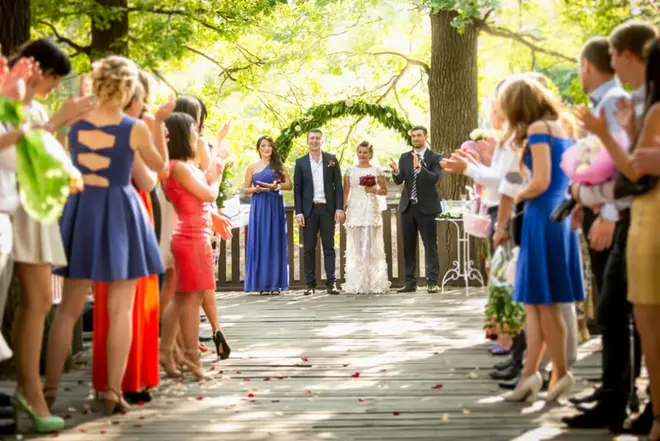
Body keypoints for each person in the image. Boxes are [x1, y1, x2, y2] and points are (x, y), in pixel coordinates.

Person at [45, 55, 170, 415]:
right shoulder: (135, 127)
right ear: (129, 87)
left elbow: (62, 157)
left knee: (67, 311)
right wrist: (158, 126)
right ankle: (112, 392)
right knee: (120, 311)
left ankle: (48, 390)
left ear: (97, 83)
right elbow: (159, 168)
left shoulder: (77, 123)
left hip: (83, 210)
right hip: (120, 212)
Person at [566, 21, 657, 435]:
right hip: (627, 215)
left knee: (624, 313)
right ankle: (618, 399)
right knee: (619, 311)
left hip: (630, 216)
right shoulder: (633, 100)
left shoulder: (624, 100)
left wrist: (604, 210)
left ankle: (624, 401)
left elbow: (633, 169)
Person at [4, 40, 94, 433]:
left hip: (35, 205)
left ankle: (30, 388)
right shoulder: (14, 99)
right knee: (36, 301)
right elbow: (21, 142)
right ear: (37, 69)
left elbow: (47, 152)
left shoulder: (35, 104)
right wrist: (59, 119)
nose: (56, 86)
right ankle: (30, 389)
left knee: (40, 301)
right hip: (16, 204)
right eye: (55, 77)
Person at [492, 76, 584, 402]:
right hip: (558, 215)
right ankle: (543, 374)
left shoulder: (538, 130)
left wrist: (518, 197)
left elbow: (541, 180)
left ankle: (540, 374)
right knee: (540, 303)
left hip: (541, 215)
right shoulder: (563, 126)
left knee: (541, 303)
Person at [92, 80, 160, 405]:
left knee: (112, 304)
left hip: (101, 210)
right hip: (131, 207)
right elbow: (149, 177)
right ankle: (129, 381)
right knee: (131, 304)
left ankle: (113, 380)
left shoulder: (93, 126)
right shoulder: (132, 129)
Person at [159, 112, 223, 380]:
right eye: (192, 130)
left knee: (184, 297)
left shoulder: (180, 165)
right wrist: (218, 177)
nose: (197, 135)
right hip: (191, 238)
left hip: (195, 236)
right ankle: (189, 357)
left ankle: (170, 351)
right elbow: (208, 193)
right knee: (190, 298)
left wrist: (213, 165)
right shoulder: (179, 167)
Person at [389, 126, 442, 293]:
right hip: (408, 207)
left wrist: (420, 168)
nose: (416, 138)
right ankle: (410, 282)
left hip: (427, 208)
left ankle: (432, 282)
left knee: (430, 246)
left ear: (426, 137)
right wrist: (396, 172)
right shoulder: (405, 157)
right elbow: (399, 181)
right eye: (413, 136)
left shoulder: (434, 157)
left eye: (419, 135)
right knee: (408, 246)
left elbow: (435, 178)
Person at [293, 129, 344, 295]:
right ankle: (310, 284)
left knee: (329, 247)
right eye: (312, 138)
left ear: (322, 141)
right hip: (309, 210)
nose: (314, 141)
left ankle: (331, 283)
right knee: (308, 249)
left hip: (327, 209)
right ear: (307, 141)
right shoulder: (300, 163)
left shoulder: (331, 160)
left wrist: (339, 208)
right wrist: (299, 212)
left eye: (317, 138)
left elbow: (338, 186)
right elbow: (298, 190)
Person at [244, 136, 291, 294]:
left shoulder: (278, 165)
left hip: (274, 205)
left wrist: (275, 186)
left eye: (269, 146)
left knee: (274, 241)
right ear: (258, 148)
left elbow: (288, 185)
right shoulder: (252, 167)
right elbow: (245, 189)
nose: (266, 148)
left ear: (273, 148)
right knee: (261, 240)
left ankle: (275, 284)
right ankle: (261, 284)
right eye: (263, 146)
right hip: (259, 206)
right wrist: (255, 190)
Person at [342, 141, 389, 294]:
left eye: (365, 152)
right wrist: (343, 209)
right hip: (355, 210)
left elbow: (384, 191)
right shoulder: (350, 171)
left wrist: (373, 189)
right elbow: (346, 192)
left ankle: (373, 282)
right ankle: (357, 282)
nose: (362, 155)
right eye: (360, 152)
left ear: (370, 154)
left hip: (371, 209)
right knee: (356, 247)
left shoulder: (377, 170)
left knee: (371, 247)